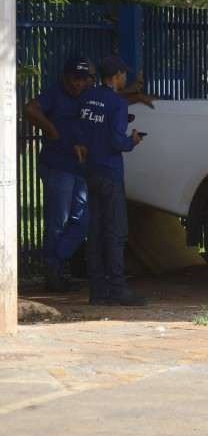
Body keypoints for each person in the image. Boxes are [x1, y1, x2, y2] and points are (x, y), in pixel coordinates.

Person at [76, 55, 148, 306]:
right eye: (124, 74)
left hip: (91, 170)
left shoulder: (86, 97)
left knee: (95, 232)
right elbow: (117, 142)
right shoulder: (117, 104)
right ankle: (117, 288)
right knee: (116, 231)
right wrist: (133, 140)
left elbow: (81, 130)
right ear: (116, 76)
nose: (125, 78)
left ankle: (97, 291)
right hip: (110, 171)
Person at [22, 55, 93, 292]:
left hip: (79, 167)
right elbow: (30, 108)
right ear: (65, 77)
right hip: (57, 166)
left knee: (81, 221)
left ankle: (56, 261)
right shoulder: (54, 94)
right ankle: (53, 272)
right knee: (58, 221)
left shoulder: (89, 96)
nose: (78, 84)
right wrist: (51, 129)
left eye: (83, 79)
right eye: (75, 79)